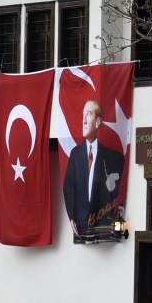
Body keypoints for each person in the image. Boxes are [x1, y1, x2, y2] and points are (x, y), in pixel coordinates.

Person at [63, 99, 125, 240]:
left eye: (89, 114)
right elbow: (68, 189)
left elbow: (118, 194)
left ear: (98, 122)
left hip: (103, 229)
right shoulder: (75, 155)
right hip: (81, 229)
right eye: (83, 115)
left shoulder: (113, 158)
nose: (84, 120)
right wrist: (71, 217)